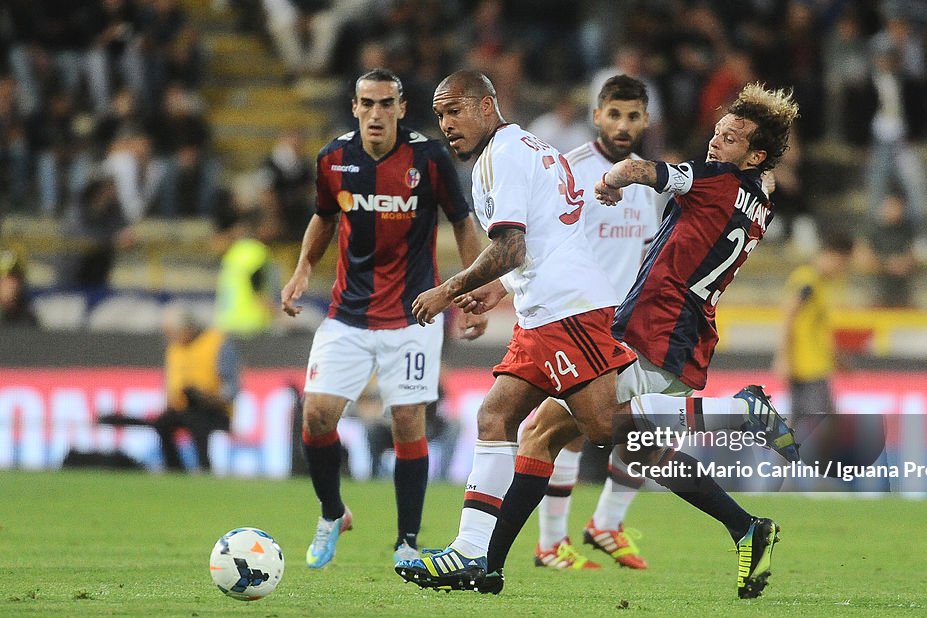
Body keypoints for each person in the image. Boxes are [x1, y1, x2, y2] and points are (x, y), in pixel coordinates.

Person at [396, 75, 799, 600]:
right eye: (716, 133)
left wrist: (615, 180)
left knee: (609, 429)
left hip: (645, 324)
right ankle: (486, 563)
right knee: (544, 431)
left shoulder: (709, 178)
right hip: (656, 323)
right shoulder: (756, 198)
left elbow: (639, 172)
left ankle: (736, 420)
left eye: (729, 138)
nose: (714, 143)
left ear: (754, 155)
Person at [280, 69, 487, 568]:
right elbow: (324, 216)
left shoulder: (429, 158)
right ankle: (333, 512)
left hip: (413, 316)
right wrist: (303, 269)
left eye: (385, 104)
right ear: (354, 108)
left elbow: (462, 221)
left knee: (408, 424)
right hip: (348, 314)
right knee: (316, 416)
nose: (375, 113)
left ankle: (406, 542)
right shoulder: (333, 159)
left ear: (400, 109)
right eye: (366, 103)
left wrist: (472, 291)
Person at [533, 75, 660, 571]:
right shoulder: (574, 171)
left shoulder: (648, 181)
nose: (623, 125)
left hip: (629, 324)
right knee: (567, 430)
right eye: (614, 114)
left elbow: (645, 251)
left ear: (646, 119)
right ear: (596, 115)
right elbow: (547, 242)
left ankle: (604, 524)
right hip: (580, 319)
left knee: (649, 429)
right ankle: (551, 544)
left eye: (633, 116)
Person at [774, 229, 854, 420]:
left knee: (809, 424)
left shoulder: (819, 283)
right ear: (833, 255)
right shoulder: (807, 280)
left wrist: (837, 359)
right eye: (843, 264)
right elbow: (788, 316)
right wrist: (783, 356)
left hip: (814, 365)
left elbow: (816, 330)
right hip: (807, 367)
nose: (842, 270)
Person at [154, 305, 240, 471]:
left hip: (215, 409)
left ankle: (204, 466)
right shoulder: (174, 348)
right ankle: (173, 467)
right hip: (183, 407)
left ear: (187, 329)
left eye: (173, 333)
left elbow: (232, 386)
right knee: (162, 423)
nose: (170, 338)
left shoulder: (217, 342)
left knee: (196, 421)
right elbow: (169, 382)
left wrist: (210, 397)